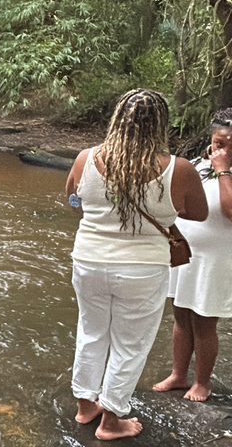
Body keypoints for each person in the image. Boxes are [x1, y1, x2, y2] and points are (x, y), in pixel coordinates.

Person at [65, 89, 208, 441]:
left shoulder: (86, 158)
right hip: (142, 269)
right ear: (161, 125)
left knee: (91, 332)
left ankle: (86, 406)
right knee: (130, 344)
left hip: (89, 261)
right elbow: (199, 213)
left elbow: (71, 198)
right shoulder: (179, 169)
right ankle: (111, 422)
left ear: (117, 120)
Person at [153, 107, 232, 401]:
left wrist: (223, 168)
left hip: (218, 259)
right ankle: (178, 374)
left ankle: (202, 382)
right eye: (219, 143)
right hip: (185, 253)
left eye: (230, 145)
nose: (222, 150)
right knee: (181, 315)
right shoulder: (198, 164)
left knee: (204, 320)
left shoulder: (225, 169)